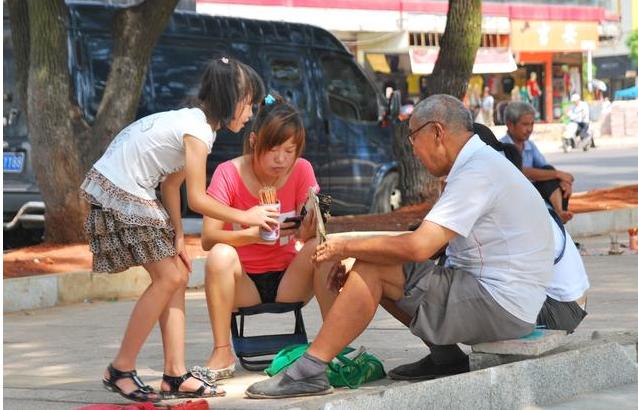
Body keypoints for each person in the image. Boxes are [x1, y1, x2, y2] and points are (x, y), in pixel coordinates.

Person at [245, 94, 554, 399]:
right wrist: (358, 255)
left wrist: (346, 247)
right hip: (509, 298)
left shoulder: (477, 172)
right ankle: (446, 357)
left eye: (413, 138)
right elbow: (424, 247)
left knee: (376, 268)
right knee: (381, 264)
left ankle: (309, 371)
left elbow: (419, 247)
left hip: (501, 304)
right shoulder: (479, 163)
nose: (413, 151)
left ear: (436, 132)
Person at [80, 57, 279, 402]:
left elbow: (173, 186)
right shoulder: (199, 130)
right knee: (169, 278)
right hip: (120, 190)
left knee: (176, 275)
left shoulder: (197, 124)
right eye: (251, 104)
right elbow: (199, 200)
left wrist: (177, 237)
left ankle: (174, 374)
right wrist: (250, 216)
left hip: (130, 189)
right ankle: (121, 369)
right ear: (234, 98)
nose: (251, 115)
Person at [192, 94, 334, 383]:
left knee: (322, 246)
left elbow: (310, 234)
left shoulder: (302, 169)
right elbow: (208, 237)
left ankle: (333, 346)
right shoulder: (228, 173)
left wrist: (307, 226)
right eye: (273, 149)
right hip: (243, 282)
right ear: (255, 141)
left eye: (289, 150)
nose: (281, 159)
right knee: (220, 254)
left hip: (289, 279)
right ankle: (222, 352)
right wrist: (250, 235)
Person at [476, 124, 589, 334]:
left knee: (459, 293)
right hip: (567, 302)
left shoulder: (505, 203)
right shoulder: (511, 193)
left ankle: (445, 357)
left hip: (561, 308)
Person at [500, 101, 575, 223]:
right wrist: (558, 174)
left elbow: (546, 169)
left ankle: (560, 213)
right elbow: (520, 171)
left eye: (531, 124)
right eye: (525, 124)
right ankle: (558, 214)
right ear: (510, 125)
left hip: (533, 193)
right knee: (552, 174)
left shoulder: (529, 146)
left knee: (550, 172)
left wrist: (564, 180)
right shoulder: (502, 147)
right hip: (513, 197)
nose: (529, 129)